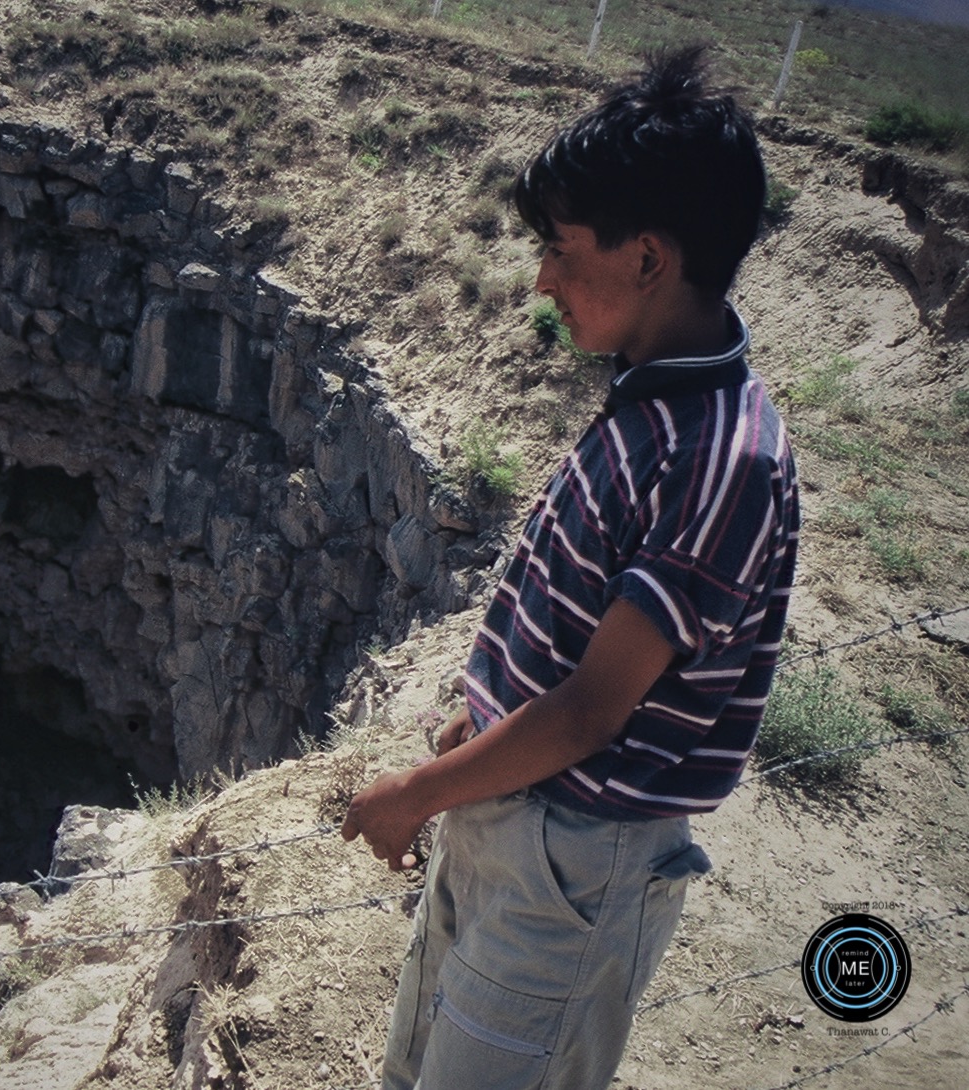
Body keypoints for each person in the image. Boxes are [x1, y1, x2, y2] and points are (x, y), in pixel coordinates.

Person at [341, 45, 800, 1090]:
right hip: (515, 812)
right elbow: (563, 613)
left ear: (647, 258)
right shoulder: (658, 395)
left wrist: (413, 791)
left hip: (576, 866)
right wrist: (475, 721)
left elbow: (594, 708)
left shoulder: (725, 459)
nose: (542, 277)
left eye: (560, 247)